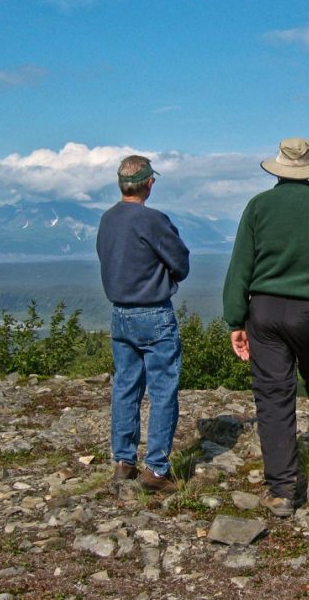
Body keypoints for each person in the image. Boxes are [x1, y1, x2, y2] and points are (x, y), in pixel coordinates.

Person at [223, 137, 309, 517]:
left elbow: (240, 268)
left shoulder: (257, 207)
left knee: (272, 396)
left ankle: (282, 490)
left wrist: (237, 320)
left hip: (263, 312)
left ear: (279, 167)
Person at [96, 154, 190, 493]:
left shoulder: (107, 220)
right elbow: (180, 261)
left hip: (120, 312)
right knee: (163, 390)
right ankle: (156, 470)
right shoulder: (153, 220)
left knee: (125, 386)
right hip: (153, 312)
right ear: (149, 183)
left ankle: (123, 462)